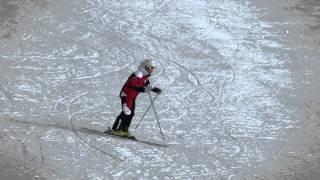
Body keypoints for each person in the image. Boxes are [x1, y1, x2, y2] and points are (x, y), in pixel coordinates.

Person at [108, 59, 162, 139]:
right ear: (146, 67)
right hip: (126, 94)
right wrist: (145, 90)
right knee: (127, 112)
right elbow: (134, 85)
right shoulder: (138, 74)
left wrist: (155, 89)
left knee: (131, 113)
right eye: (151, 67)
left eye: (153, 68)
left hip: (132, 96)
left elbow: (147, 85)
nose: (152, 70)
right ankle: (116, 130)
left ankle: (124, 130)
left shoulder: (145, 76)